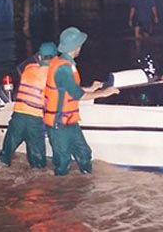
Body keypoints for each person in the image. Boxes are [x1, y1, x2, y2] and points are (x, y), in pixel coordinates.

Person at [43, 27, 120, 176]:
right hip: (58, 123)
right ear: (75, 47)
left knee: (84, 153)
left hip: (69, 121)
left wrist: (91, 88)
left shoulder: (63, 62)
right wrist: (103, 93)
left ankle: (84, 186)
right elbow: (78, 95)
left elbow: (67, 88)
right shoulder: (64, 68)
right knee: (62, 161)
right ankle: (62, 193)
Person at [0, 42, 58, 168]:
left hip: (17, 117)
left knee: (5, 156)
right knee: (38, 164)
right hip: (34, 120)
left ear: (40, 57)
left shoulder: (28, 69)